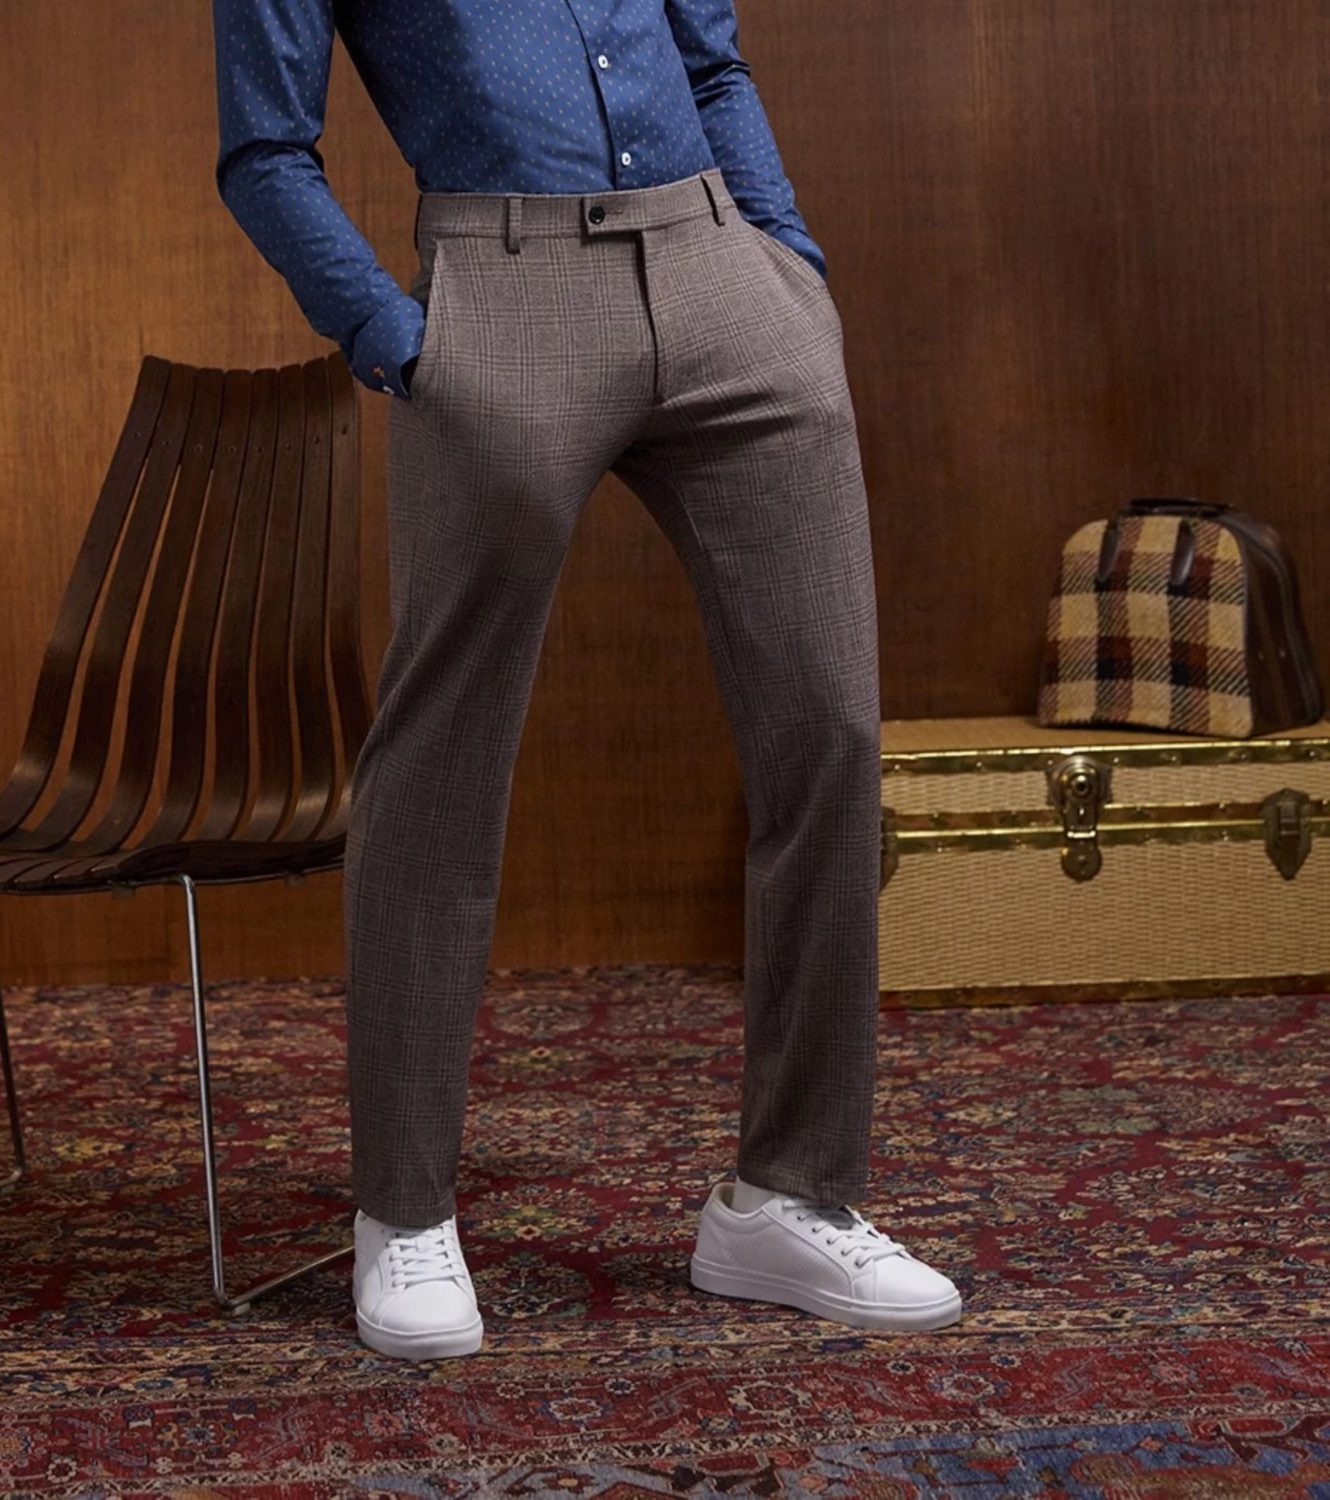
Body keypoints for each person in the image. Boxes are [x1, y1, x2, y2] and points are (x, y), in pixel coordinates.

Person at [212, 0, 962, 1361]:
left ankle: (789, 1194)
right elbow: (265, 149)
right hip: (501, 293)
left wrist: (787, 262)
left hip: (726, 275)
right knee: (440, 763)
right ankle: (403, 1211)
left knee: (830, 734)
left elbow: (712, 63)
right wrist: (394, 333)